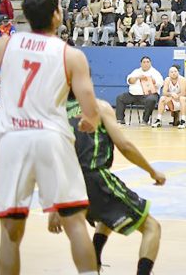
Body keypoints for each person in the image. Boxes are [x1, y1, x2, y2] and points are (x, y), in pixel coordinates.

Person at [0, 0, 100, 275]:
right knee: (75, 222)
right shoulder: (71, 55)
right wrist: (90, 121)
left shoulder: (5, 45)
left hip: (12, 139)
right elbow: (90, 110)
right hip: (51, 138)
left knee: (10, 231)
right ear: (57, 15)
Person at [48, 98, 165, 275]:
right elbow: (125, 146)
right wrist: (152, 171)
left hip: (71, 185)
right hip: (95, 178)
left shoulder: (58, 112)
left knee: (107, 213)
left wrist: (54, 205)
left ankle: (95, 260)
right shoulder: (99, 106)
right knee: (152, 227)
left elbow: (54, 159)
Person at [115, 56, 164, 125]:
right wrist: (137, 77)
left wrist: (153, 81)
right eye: (144, 62)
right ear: (141, 63)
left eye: (147, 62)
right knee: (120, 98)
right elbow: (129, 81)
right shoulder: (136, 71)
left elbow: (161, 83)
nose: (146, 64)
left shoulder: (155, 73)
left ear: (150, 63)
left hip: (148, 95)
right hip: (133, 95)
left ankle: (145, 120)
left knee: (151, 100)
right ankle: (120, 119)